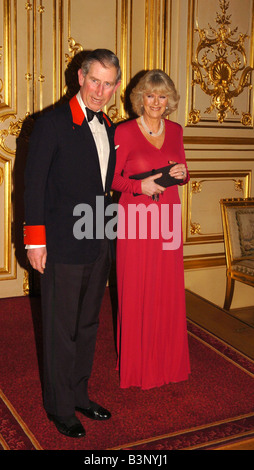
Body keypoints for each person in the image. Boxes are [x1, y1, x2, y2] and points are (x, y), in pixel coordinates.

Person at [24, 49, 121, 438]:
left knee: (88, 323)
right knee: (61, 327)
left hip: (98, 239)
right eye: (94, 80)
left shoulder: (110, 126)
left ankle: (79, 393)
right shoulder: (51, 122)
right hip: (61, 243)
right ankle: (59, 406)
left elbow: (106, 187)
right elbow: (33, 186)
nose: (100, 90)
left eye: (108, 83)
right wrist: (35, 242)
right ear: (80, 77)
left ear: (115, 86)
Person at [112, 69, 190, 390]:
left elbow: (183, 170)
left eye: (161, 96)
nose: (156, 102)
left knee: (167, 289)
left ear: (168, 99)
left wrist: (181, 174)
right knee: (137, 288)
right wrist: (138, 186)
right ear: (139, 98)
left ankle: (168, 362)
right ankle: (138, 365)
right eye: (150, 95)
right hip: (136, 219)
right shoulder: (124, 132)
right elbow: (110, 179)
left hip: (168, 216)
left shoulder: (175, 130)